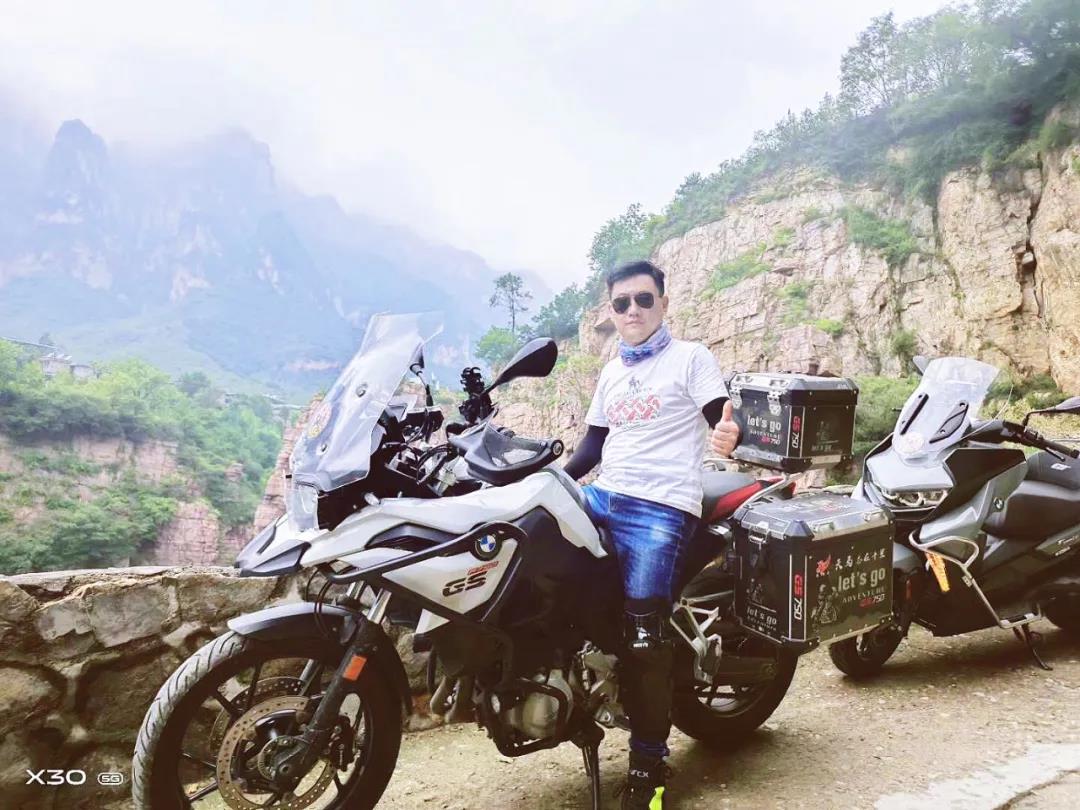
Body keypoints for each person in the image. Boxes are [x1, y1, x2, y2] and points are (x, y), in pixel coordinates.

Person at [563, 260, 740, 810]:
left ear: (663, 303)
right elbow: (593, 446)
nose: (633, 310)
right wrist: (551, 482)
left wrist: (729, 432)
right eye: (622, 303)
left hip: (660, 506)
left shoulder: (690, 357)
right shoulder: (612, 371)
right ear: (611, 312)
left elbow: (719, 415)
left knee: (645, 638)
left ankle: (648, 763)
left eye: (644, 299)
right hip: (603, 495)